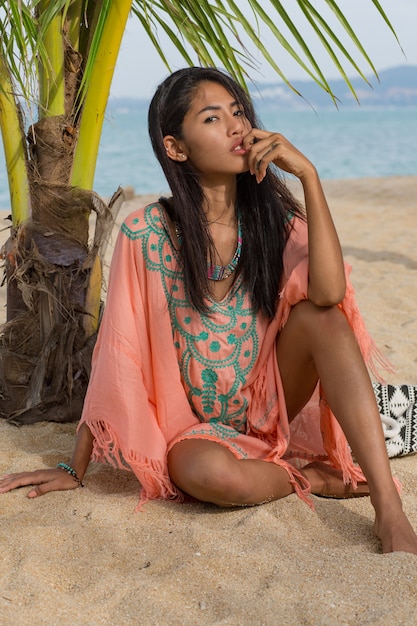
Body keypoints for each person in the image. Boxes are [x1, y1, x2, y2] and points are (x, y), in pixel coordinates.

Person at [1, 67, 416, 555]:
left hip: (273, 400)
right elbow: (118, 352)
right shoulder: (147, 233)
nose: (237, 126)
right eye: (213, 118)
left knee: (320, 316)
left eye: (238, 113)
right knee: (198, 473)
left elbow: (328, 294)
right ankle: (312, 478)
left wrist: (309, 175)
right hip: (196, 428)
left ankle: (389, 510)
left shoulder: (272, 220)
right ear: (177, 148)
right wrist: (75, 465)